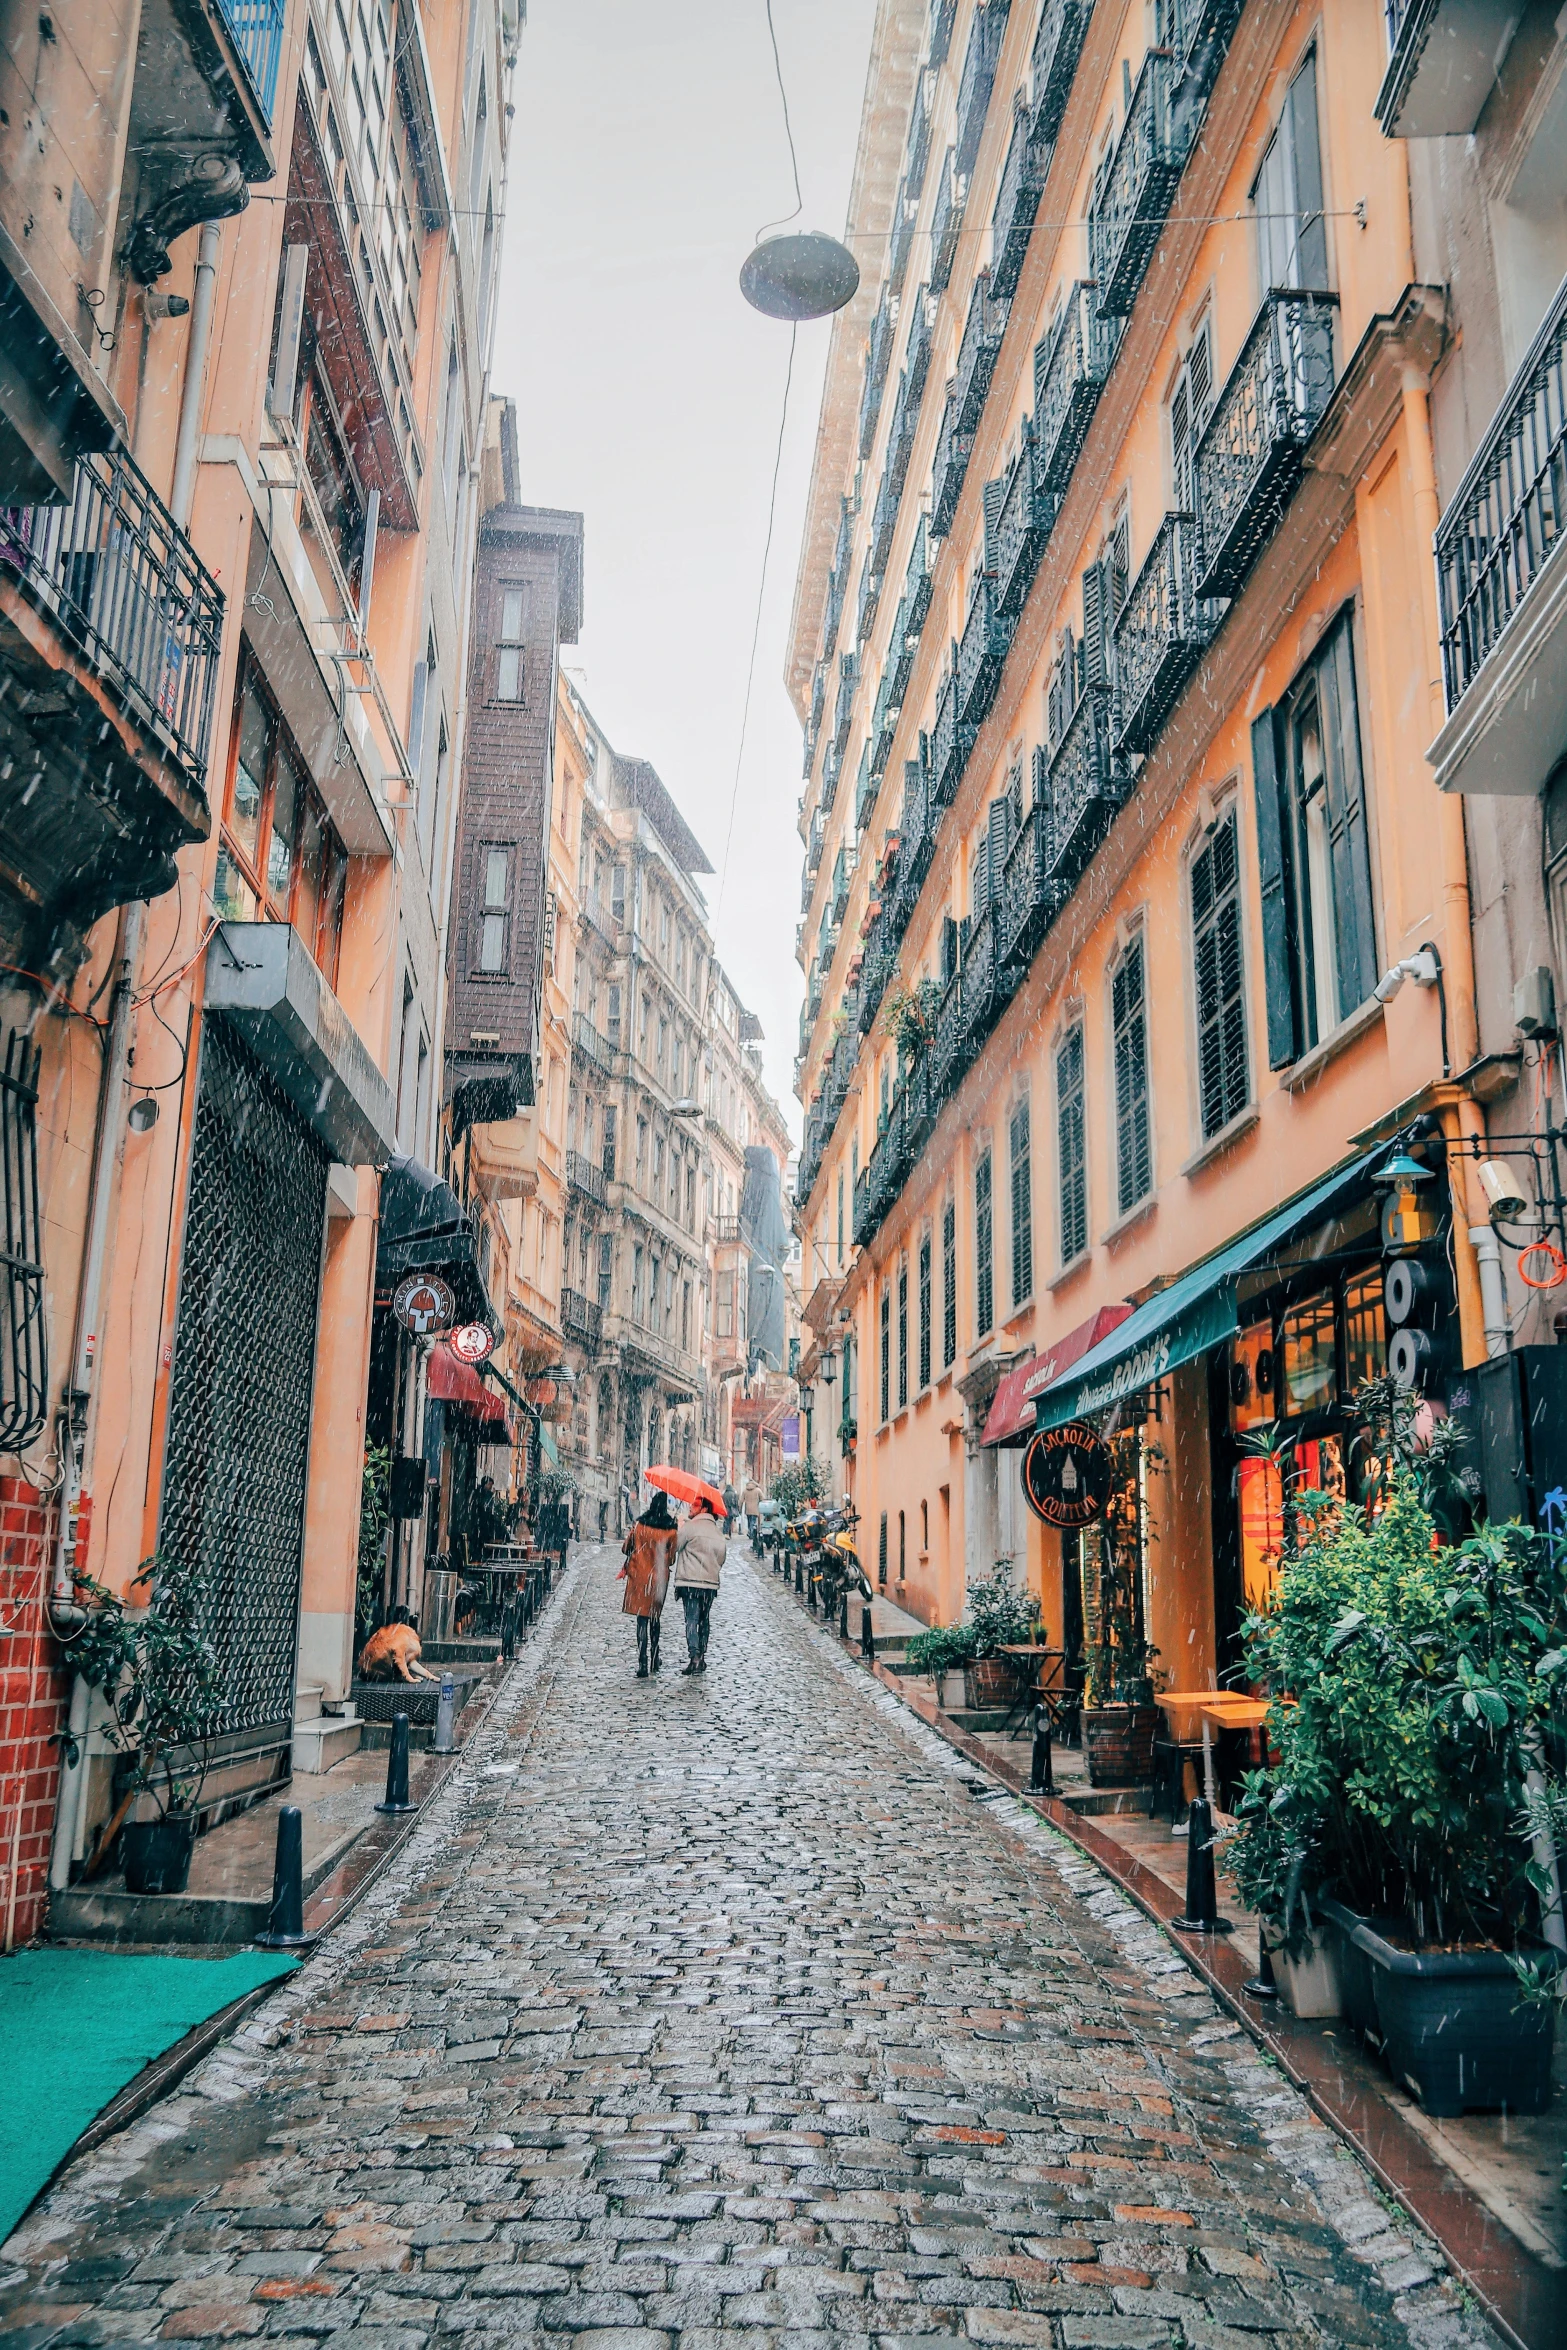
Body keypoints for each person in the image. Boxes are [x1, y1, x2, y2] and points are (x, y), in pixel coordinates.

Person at [618, 1488, 676, 1677]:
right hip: (658, 1579)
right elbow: (672, 1558)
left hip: (640, 1577)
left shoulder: (640, 1524)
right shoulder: (670, 1528)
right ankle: (654, 1658)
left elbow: (626, 1547)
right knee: (655, 1618)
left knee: (641, 1619)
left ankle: (642, 1662)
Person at [672, 1494, 726, 1674]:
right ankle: (701, 1657)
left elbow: (674, 1547)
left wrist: (679, 1527)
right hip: (709, 1584)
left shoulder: (690, 1527)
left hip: (690, 1582)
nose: (690, 1507)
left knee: (692, 1620)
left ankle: (694, 1657)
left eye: (694, 1505)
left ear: (704, 1509)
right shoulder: (717, 1532)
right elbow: (721, 1558)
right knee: (704, 1621)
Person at [358, 1611, 439, 1684]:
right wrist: (408, 1677)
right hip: (371, 1670)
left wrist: (430, 1676)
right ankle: (404, 1677)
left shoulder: (403, 1634)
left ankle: (403, 1677)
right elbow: (398, 1654)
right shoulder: (403, 1635)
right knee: (400, 1665)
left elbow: (411, 1663)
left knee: (400, 1668)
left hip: (379, 1671)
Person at [741, 1474, 762, 1548]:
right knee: (753, 1522)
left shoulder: (745, 1491)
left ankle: (750, 1532)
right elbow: (762, 1499)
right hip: (755, 1509)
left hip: (748, 1509)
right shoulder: (758, 1490)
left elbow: (741, 1500)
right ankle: (751, 1533)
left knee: (749, 1521)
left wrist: (739, 1508)